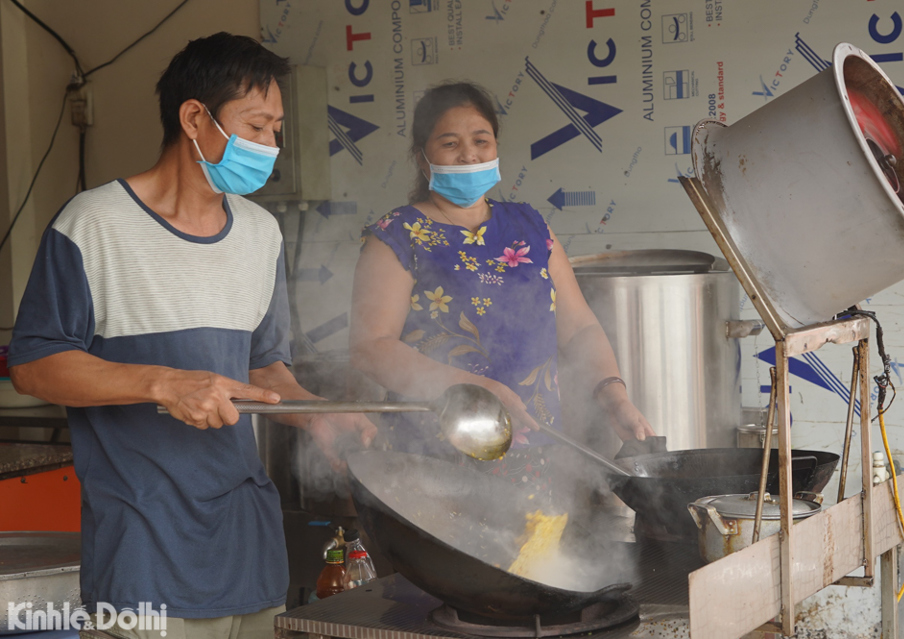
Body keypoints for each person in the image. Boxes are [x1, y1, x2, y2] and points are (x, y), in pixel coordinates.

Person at [8, 33, 375, 639]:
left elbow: (263, 368)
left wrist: (317, 416)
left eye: (276, 130)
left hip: (249, 547)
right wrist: (164, 383)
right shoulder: (92, 224)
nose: (271, 147)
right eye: (256, 127)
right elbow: (34, 364)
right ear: (195, 118)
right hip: (143, 552)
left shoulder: (261, 233)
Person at [350, 81, 653, 490]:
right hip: (433, 456)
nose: (469, 154)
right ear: (423, 159)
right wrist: (475, 387)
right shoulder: (398, 234)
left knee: (538, 551)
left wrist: (615, 399)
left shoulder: (530, 225)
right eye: (450, 143)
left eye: (481, 140)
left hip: (536, 451)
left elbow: (579, 327)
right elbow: (371, 348)